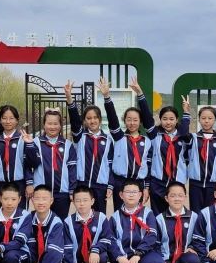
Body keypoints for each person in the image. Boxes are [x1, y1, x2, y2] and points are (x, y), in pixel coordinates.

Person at [107, 179, 164, 263]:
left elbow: (152, 235)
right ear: (121, 195)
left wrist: (138, 253)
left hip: (143, 255)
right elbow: (110, 240)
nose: (131, 195)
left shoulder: (148, 213)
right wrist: (119, 257)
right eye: (128, 192)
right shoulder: (115, 217)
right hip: (124, 257)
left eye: (134, 192)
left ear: (140, 195)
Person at [65, 78, 114, 214]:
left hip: (100, 186)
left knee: (99, 217)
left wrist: (110, 185)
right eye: (88, 118)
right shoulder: (80, 136)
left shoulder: (108, 140)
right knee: (82, 216)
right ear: (85, 121)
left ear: (100, 119)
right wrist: (69, 99)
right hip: (82, 184)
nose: (92, 121)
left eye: (95, 117)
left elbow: (110, 164)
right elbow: (75, 121)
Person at [104, 78, 153, 211]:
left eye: (135, 120)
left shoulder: (147, 141)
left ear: (140, 122)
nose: (132, 123)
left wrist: (146, 187)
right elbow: (112, 119)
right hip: (120, 182)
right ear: (124, 121)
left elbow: (148, 166)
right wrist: (107, 97)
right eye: (129, 119)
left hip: (138, 183)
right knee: (120, 214)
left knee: (137, 214)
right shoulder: (119, 137)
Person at [144, 88, 192, 216]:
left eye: (171, 119)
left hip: (177, 183)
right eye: (165, 119)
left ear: (177, 120)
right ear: (160, 120)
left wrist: (186, 111)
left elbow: (185, 129)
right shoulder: (155, 135)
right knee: (158, 216)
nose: (168, 122)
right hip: (158, 183)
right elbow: (147, 117)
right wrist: (140, 94)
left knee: (175, 214)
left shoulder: (183, 136)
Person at [15, 185, 65, 263]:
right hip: (34, 262)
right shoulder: (28, 218)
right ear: (32, 200)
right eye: (37, 198)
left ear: (51, 200)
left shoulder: (56, 222)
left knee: (54, 253)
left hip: (51, 260)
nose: (41, 202)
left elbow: (54, 253)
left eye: (44, 199)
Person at [24, 108, 77, 219]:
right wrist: (29, 183)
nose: (52, 127)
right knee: (42, 221)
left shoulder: (68, 145)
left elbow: (72, 169)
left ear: (60, 125)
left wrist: (72, 189)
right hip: (41, 192)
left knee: (60, 221)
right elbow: (28, 165)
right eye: (49, 123)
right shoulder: (35, 142)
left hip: (62, 193)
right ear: (44, 125)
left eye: (55, 124)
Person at [62, 186, 112, 263]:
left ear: (92, 201)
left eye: (85, 200)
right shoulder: (68, 222)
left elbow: (107, 239)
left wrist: (96, 249)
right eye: (78, 200)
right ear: (73, 202)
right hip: (76, 261)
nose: (82, 204)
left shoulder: (101, 218)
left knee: (103, 257)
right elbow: (67, 250)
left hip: (95, 257)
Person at [155, 182, 200, 263]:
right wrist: (160, 262)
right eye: (173, 195)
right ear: (166, 198)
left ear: (185, 197)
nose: (177, 198)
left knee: (193, 260)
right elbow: (155, 244)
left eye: (180, 195)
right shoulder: (159, 219)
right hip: (168, 259)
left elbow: (199, 238)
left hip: (185, 256)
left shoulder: (194, 217)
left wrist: (192, 247)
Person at [0, 105, 33, 209]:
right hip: (2, 185)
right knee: (5, 212)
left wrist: (29, 183)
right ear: (0, 120)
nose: (8, 121)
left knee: (21, 214)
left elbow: (29, 164)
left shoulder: (24, 140)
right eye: (4, 118)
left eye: (11, 118)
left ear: (17, 120)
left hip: (20, 184)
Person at [187, 105, 216, 213]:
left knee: (211, 213)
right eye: (203, 118)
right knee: (195, 213)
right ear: (199, 119)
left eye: (210, 118)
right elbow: (183, 133)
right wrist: (186, 113)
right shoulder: (193, 138)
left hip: (213, 184)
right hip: (195, 184)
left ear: (215, 120)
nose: (206, 121)